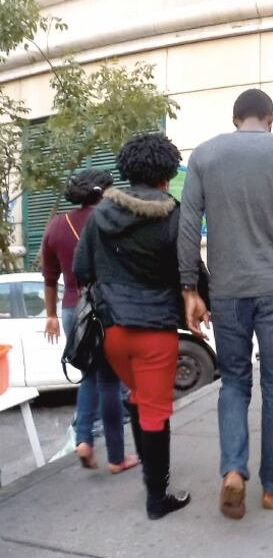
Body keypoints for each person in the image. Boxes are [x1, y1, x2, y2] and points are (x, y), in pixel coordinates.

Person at [177, 88, 273, 520]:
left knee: (235, 383)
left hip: (226, 291)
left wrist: (190, 289)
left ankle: (233, 472)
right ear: (270, 118)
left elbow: (188, 226)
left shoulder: (204, 156)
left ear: (235, 118)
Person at [73, 133, 195, 520]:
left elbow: (81, 270)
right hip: (156, 331)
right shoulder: (175, 215)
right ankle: (157, 499)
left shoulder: (98, 217)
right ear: (166, 173)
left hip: (112, 332)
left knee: (140, 398)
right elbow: (190, 272)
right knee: (156, 412)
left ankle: (149, 470)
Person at [42, 170, 137, 474]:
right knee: (109, 383)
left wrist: (52, 316)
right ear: (102, 192)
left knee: (89, 377)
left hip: (73, 311)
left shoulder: (57, 225)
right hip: (106, 308)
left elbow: (49, 277)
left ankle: (84, 438)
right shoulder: (114, 220)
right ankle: (117, 457)